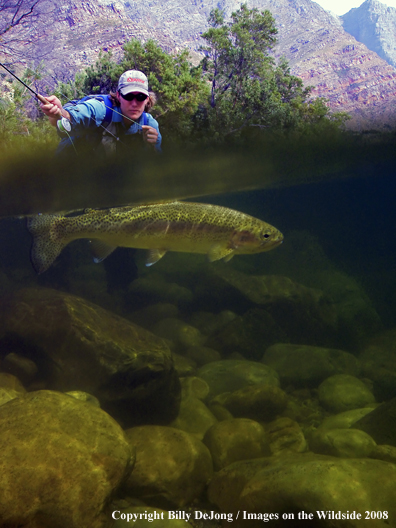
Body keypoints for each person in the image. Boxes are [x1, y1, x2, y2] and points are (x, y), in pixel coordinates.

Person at [40, 70, 162, 154]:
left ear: (147, 99)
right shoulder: (101, 109)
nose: (134, 103)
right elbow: (75, 115)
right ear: (119, 96)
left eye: (140, 97)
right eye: (129, 96)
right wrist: (60, 112)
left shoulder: (150, 125)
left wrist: (152, 148)